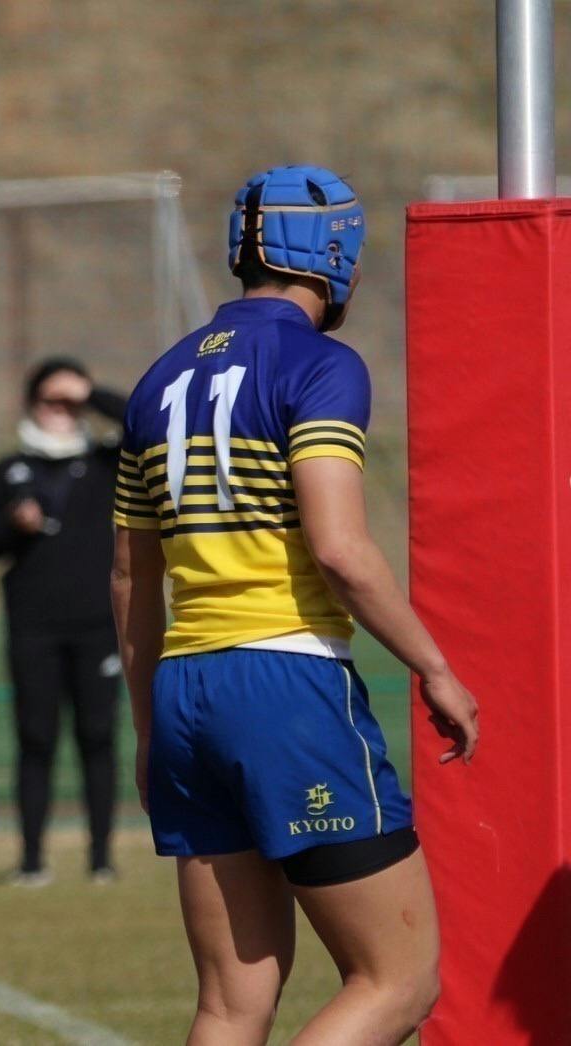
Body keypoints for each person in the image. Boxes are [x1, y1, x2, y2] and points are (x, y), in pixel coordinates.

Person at [111, 165, 480, 1043]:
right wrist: (434, 668)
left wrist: (148, 731)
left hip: (183, 693)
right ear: (334, 253)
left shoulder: (155, 381)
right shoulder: (321, 366)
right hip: (287, 685)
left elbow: (130, 581)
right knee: (399, 980)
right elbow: (342, 551)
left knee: (231, 1003)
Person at [0, 357, 127, 884]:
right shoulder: (10, 468)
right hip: (33, 625)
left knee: (99, 735)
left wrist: (90, 391)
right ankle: (32, 860)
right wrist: (15, 524)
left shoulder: (107, 462)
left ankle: (101, 859)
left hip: (97, 623)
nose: (62, 412)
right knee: (35, 738)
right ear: (32, 405)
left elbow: (143, 425)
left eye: (72, 403)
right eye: (52, 401)